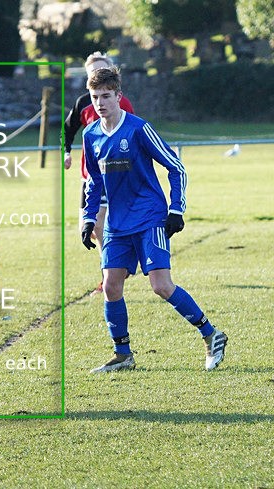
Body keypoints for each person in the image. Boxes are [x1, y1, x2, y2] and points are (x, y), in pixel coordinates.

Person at [81, 67, 227, 373]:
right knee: (110, 287)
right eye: (95, 97)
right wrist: (87, 218)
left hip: (149, 217)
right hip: (117, 224)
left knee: (161, 286)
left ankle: (211, 334)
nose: (100, 103)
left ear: (119, 96)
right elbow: (93, 183)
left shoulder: (138, 129)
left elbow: (177, 167)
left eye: (106, 96)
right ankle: (123, 356)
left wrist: (176, 210)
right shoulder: (90, 135)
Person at [64, 52, 135, 295]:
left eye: (101, 70)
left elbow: (133, 136)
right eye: (92, 71)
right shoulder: (84, 102)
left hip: (115, 176)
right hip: (90, 176)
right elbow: (66, 129)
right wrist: (66, 152)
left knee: (103, 222)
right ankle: (114, 269)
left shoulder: (120, 103)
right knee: (90, 227)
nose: (96, 74)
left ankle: (109, 276)